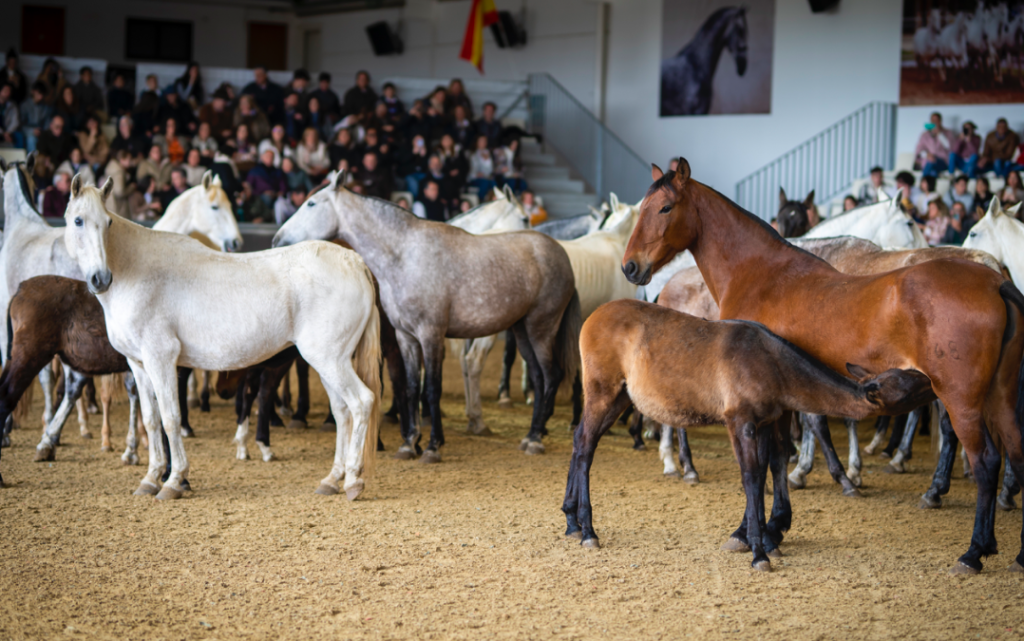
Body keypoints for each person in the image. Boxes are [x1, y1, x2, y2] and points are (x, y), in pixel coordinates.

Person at [913, 112, 953, 177]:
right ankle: (928, 184)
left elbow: (950, 147)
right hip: (928, 162)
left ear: (940, 121)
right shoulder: (925, 135)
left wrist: (939, 134)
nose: (934, 122)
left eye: (936, 120)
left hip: (943, 162)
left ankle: (923, 181)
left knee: (932, 162)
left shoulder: (948, 133)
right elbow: (919, 149)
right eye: (932, 120)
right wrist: (927, 154)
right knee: (933, 171)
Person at [19, 82, 52, 152]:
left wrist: (42, 131)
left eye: (42, 94)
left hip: (41, 132)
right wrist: (32, 130)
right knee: (31, 139)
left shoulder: (45, 107)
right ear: (33, 92)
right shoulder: (25, 105)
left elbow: (47, 124)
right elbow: (21, 125)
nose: (40, 97)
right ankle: (32, 161)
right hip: (28, 132)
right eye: (39, 93)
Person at [103, 150, 135, 217]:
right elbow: (119, 192)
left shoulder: (111, 168)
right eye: (129, 159)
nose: (130, 161)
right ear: (122, 160)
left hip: (109, 203)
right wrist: (131, 188)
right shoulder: (119, 173)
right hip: (118, 207)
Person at [0, 82, 21, 148]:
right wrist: (3, 134)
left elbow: (15, 121)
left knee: (19, 136)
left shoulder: (12, 105)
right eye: (6, 91)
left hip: (9, 131)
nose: (8, 93)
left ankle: (19, 157)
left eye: (9, 91)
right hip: (1, 132)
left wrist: (8, 133)